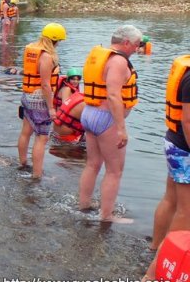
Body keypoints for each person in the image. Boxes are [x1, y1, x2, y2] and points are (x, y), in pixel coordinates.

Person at [77, 25, 142, 221]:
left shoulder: (101, 55)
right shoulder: (119, 61)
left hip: (89, 113)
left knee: (92, 164)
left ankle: (84, 205)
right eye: (136, 45)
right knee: (114, 171)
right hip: (106, 119)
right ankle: (106, 216)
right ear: (126, 43)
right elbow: (113, 95)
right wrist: (121, 129)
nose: (137, 49)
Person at [144, 55, 190, 280]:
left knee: (170, 199)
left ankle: (154, 248)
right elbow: (189, 120)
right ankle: (157, 268)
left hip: (174, 143)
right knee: (186, 212)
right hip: (185, 149)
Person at [16, 23, 67, 178]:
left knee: (26, 131)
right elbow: (45, 85)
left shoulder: (31, 48)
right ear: (55, 40)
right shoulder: (46, 56)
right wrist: (51, 108)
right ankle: (37, 175)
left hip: (27, 95)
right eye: (59, 41)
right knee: (42, 137)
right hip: (39, 99)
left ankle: (23, 163)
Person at [52, 68, 85, 144]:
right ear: (68, 79)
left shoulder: (69, 88)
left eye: (77, 79)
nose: (75, 81)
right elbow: (65, 104)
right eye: (73, 79)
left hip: (60, 120)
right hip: (61, 120)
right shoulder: (67, 89)